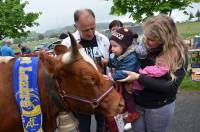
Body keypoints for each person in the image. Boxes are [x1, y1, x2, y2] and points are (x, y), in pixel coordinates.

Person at [118, 14, 188, 132]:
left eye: (151, 39)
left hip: (159, 106)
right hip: (138, 103)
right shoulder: (144, 48)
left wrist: (139, 77)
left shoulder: (177, 54)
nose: (146, 41)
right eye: (145, 36)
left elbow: (170, 86)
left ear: (165, 39)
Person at [62, 8, 110, 132]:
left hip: (101, 92)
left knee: (102, 125)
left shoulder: (103, 40)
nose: (90, 33)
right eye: (85, 30)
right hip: (81, 96)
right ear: (75, 25)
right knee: (83, 127)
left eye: (93, 28)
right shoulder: (67, 44)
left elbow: (109, 65)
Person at [102, 27, 140, 124]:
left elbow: (125, 72)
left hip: (131, 81)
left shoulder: (131, 56)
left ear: (125, 45)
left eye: (115, 46)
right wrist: (109, 62)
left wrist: (112, 77)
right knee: (122, 96)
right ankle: (125, 112)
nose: (112, 49)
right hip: (124, 80)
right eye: (111, 46)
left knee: (128, 96)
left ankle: (133, 113)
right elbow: (115, 63)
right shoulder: (121, 54)